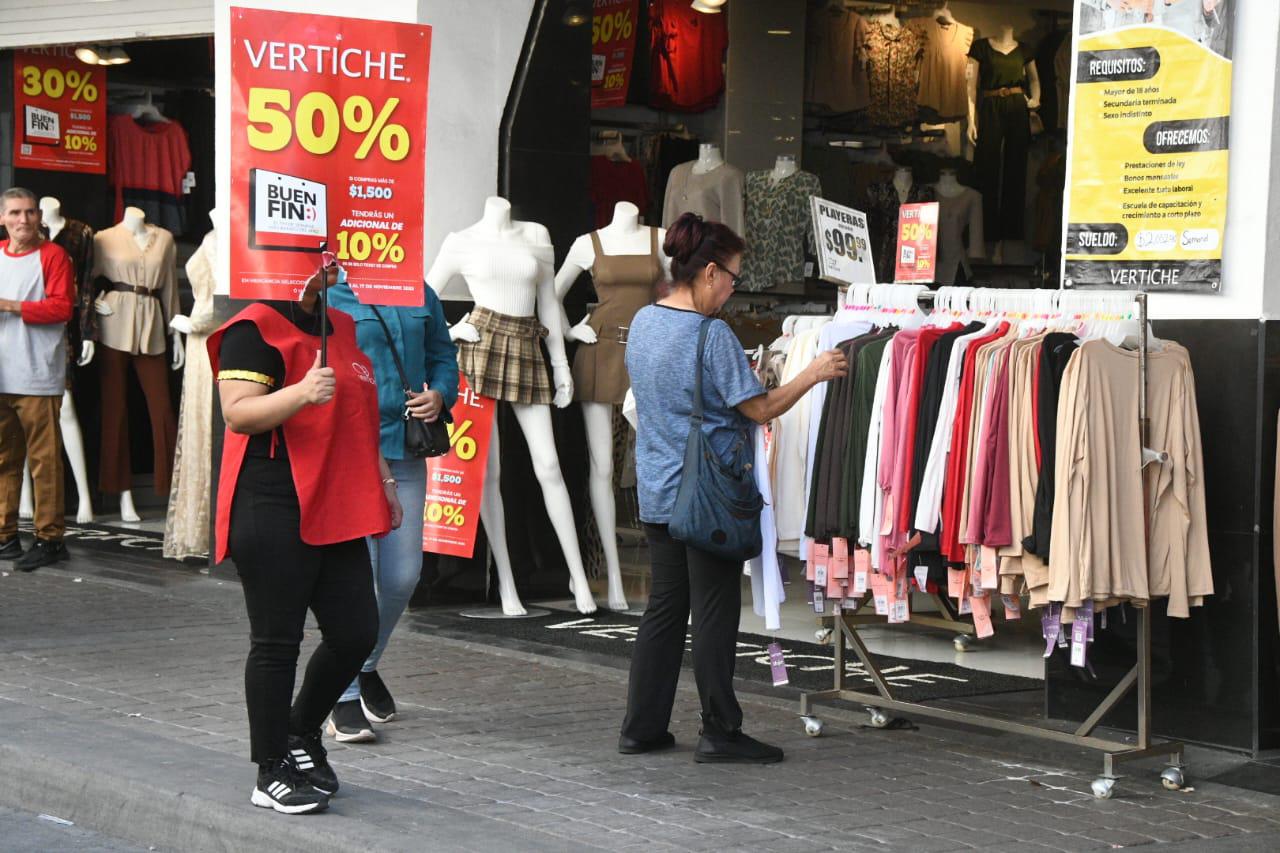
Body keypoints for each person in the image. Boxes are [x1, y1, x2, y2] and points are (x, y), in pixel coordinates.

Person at [620, 213, 847, 763]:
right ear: (710, 272)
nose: (732, 290)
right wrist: (811, 373)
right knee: (716, 612)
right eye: (733, 279)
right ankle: (720, 731)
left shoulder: (645, 320)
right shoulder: (711, 333)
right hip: (709, 496)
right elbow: (760, 408)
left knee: (666, 610)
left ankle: (641, 726)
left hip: (657, 488)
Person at [207, 264, 403, 815]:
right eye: (319, 257)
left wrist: (385, 481)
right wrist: (299, 393)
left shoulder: (340, 325)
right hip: (271, 499)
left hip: (336, 499)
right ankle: (270, 770)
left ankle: (299, 732)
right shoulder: (253, 326)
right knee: (276, 641)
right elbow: (238, 414)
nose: (331, 266)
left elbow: (357, 421)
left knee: (356, 630)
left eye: (334, 258)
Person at [325, 279, 459, 742]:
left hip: (405, 449)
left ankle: (365, 664)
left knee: (403, 575)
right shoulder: (331, 292)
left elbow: (444, 355)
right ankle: (339, 696)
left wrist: (440, 394)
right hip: (352, 452)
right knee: (360, 579)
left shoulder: (418, 290)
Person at [0, 187, 76, 571]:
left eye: (30, 212)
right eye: (15, 213)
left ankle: (50, 538)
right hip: (2, 373)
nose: (23, 220)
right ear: (2, 218)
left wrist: (10, 305)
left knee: (44, 461)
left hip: (37, 373)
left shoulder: (53, 255)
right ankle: (5, 535)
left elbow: (63, 307)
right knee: (4, 460)